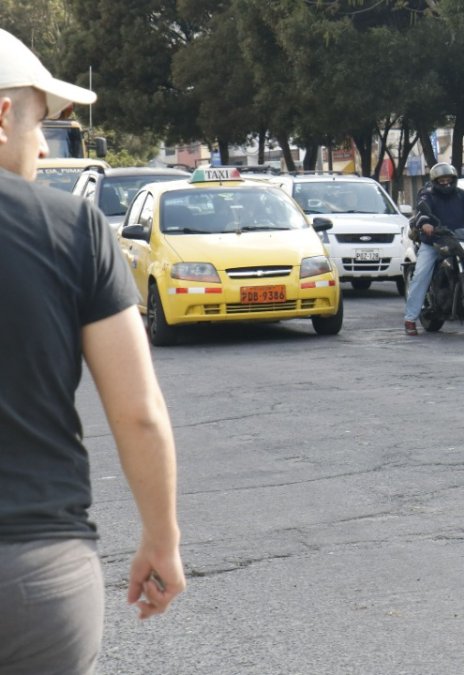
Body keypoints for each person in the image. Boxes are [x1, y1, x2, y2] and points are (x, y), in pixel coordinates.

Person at [0, 29, 184, 674]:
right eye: (40, 124)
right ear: (1, 116)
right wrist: (162, 537)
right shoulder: (72, 229)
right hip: (31, 572)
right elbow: (137, 411)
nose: (45, 146)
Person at [403, 162, 464, 336]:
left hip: (458, 239)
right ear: (435, 181)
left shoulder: (461, 195)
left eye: (449, 179)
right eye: (442, 180)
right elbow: (422, 211)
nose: (446, 183)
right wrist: (426, 223)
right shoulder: (427, 195)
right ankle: (410, 319)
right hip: (434, 241)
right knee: (421, 275)